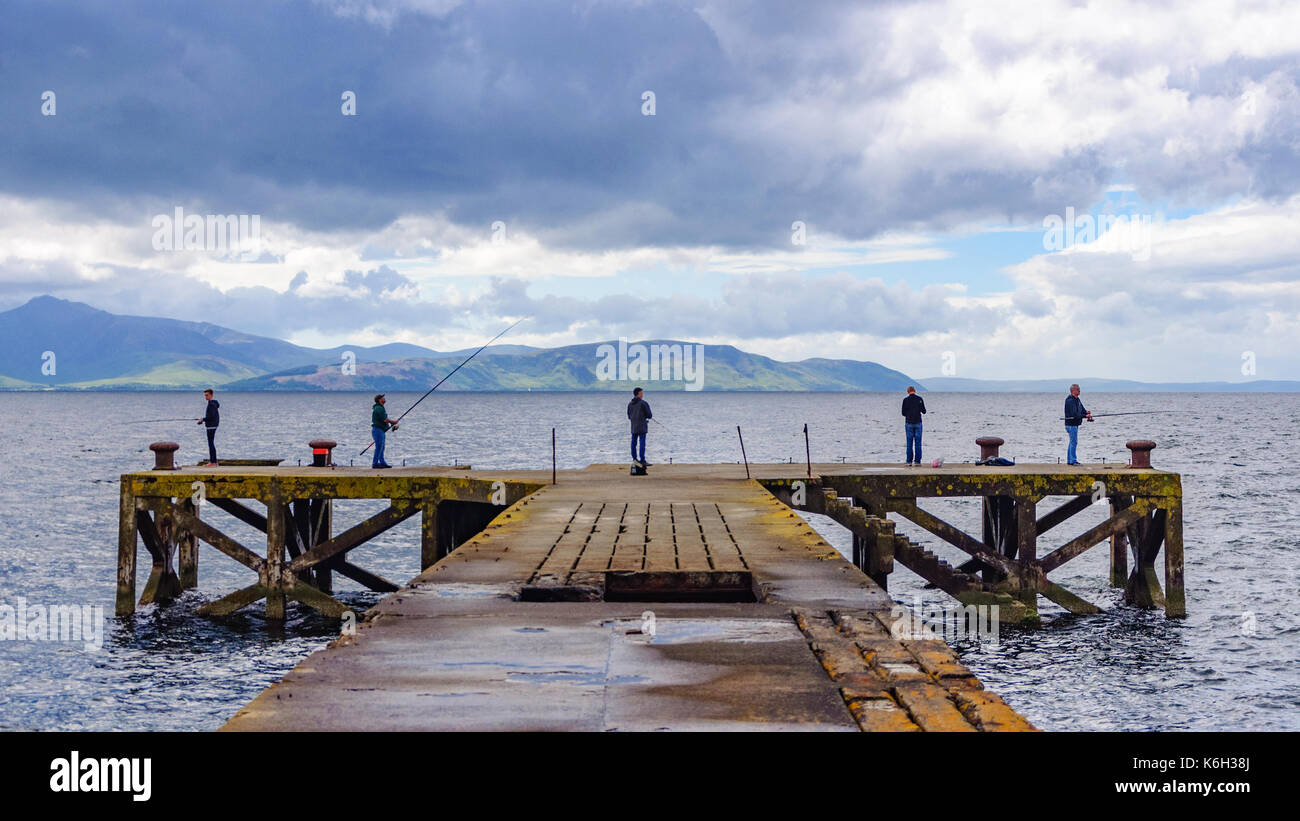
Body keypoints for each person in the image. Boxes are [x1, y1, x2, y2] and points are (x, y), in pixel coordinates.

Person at [1064, 383, 1093, 465]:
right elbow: (1075, 414)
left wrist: (1086, 412)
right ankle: (1073, 461)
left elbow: (1082, 410)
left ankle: (1070, 460)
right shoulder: (1070, 400)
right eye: (1078, 389)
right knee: (1074, 442)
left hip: (1075, 424)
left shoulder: (1077, 399)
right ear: (1073, 390)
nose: (1079, 390)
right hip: (1071, 425)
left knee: (1072, 442)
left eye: (1079, 389)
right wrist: (1085, 416)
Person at [371, 394, 399, 469]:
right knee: (379, 447)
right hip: (378, 430)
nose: (385, 399)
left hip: (379, 430)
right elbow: (385, 419)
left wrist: (391, 423)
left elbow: (384, 419)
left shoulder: (380, 408)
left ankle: (381, 463)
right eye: (383, 398)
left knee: (381, 447)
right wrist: (393, 422)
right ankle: (375, 464)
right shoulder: (379, 408)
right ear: (379, 400)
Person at [901, 386, 926, 466]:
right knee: (918, 443)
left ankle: (909, 461)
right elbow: (924, 411)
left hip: (909, 423)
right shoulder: (919, 399)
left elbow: (903, 413)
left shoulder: (905, 400)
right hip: (918, 423)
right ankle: (917, 462)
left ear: (908, 391)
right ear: (914, 391)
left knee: (909, 443)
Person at [627, 387, 652, 466]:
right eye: (642, 393)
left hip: (634, 426)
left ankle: (634, 459)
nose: (642, 395)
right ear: (639, 393)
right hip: (642, 427)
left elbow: (629, 416)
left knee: (633, 443)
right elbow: (649, 415)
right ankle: (642, 460)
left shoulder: (630, 404)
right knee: (642, 443)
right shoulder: (643, 403)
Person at [196, 389, 219, 466]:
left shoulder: (212, 404)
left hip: (211, 426)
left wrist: (203, 419)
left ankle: (213, 462)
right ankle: (214, 461)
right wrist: (203, 420)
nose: (205, 397)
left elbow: (211, 416)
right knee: (211, 443)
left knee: (211, 443)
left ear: (211, 395)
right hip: (213, 425)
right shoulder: (213, 403)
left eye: (207, 395)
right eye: (205, 395)